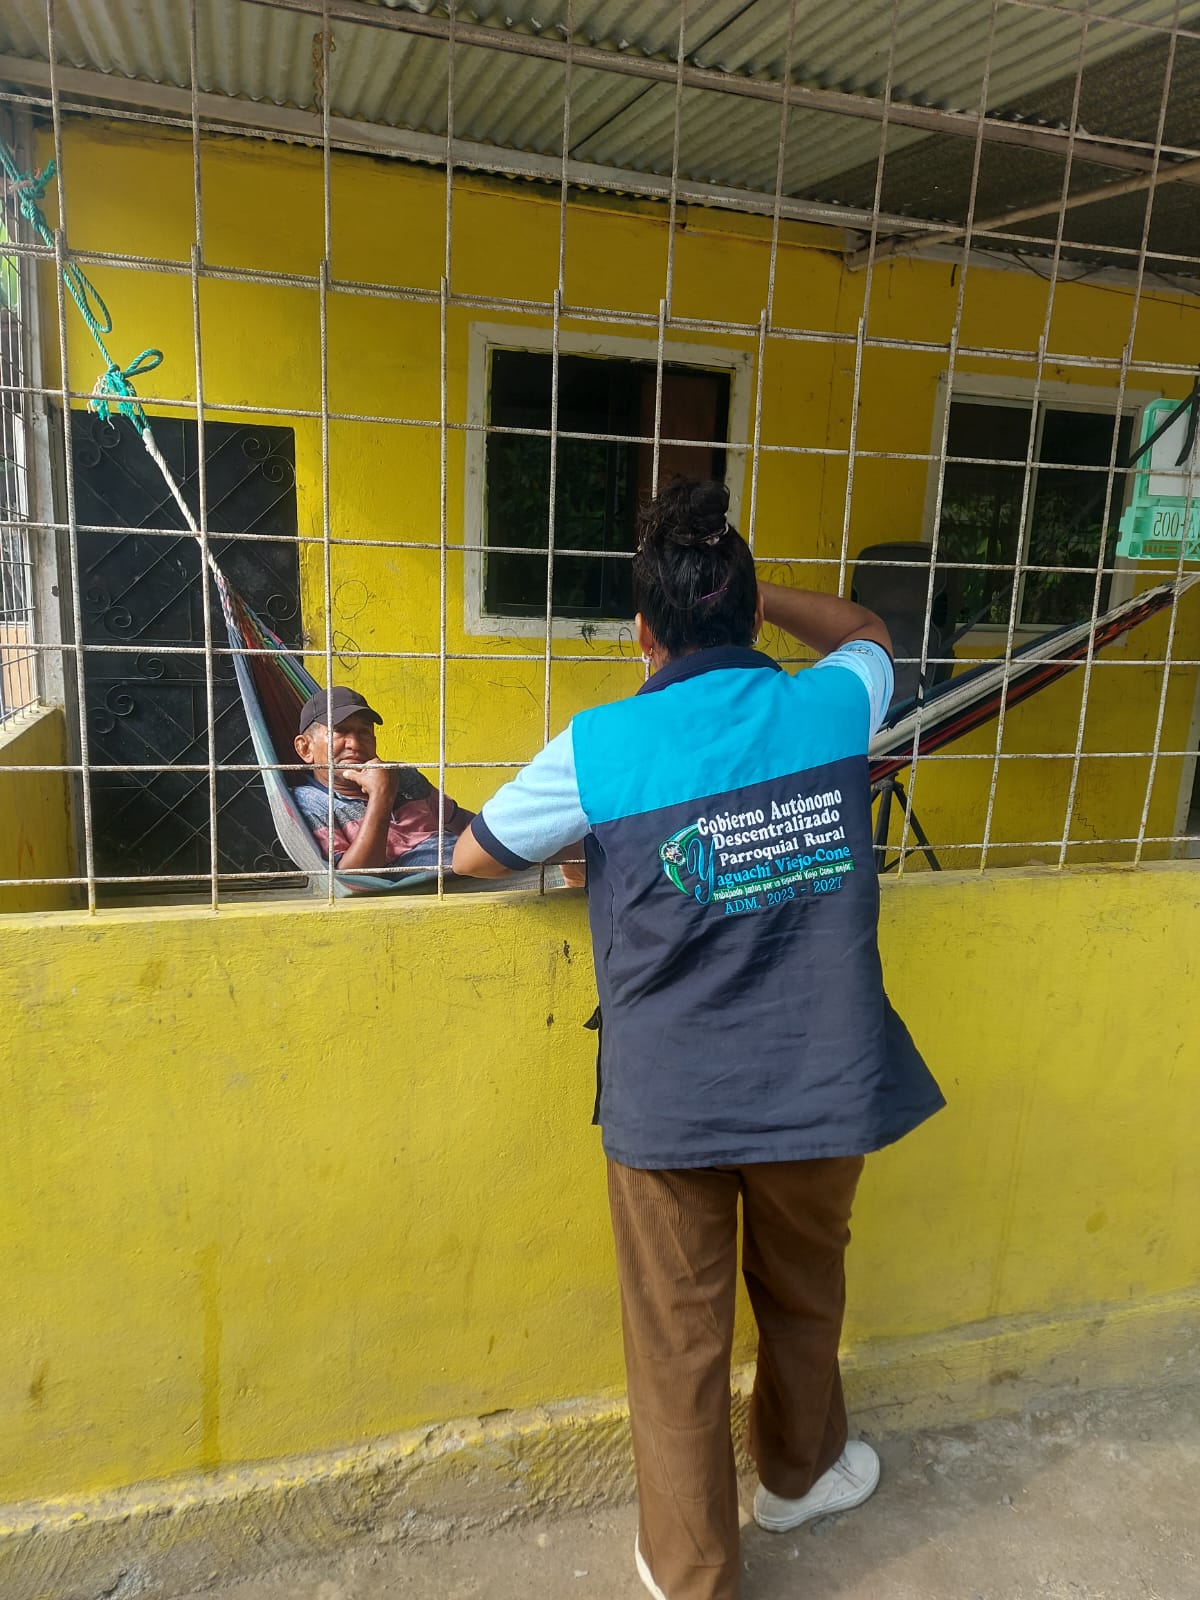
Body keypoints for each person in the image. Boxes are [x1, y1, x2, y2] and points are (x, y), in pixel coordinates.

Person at [452, 478, 944, 1600]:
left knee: (679, 1341)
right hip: (823, 1086)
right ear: (751, 609)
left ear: (643, 632)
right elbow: (873, 631)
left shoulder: (599, 746)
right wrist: (768, 603)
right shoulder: (832, 706)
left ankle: (692, 1571)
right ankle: (799, 1476)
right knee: (807, 1293)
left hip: (669, 1105)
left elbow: (477, 853)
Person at [292, 685, 474, 880]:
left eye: (364, 732)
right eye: (340, 731)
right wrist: (381, 794)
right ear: (305, 749)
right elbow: (354, 880)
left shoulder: (401, 774)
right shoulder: (309, 802)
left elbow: (462, 822)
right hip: (440, 884)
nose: (355, 744)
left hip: (474, 867)